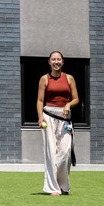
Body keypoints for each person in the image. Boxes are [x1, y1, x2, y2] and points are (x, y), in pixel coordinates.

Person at [37, 51, 80, 195]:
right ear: (49, 62)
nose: (56, 62)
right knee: (50, 152)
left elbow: (76, 99)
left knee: (65, 152)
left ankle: (63, 186)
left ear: (62, 62)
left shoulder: (69, 78)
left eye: (58, 59)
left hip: (65, 117)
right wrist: (40, 117)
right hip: (48, 115)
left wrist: (68, 105)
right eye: (53, 59)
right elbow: (40, 101)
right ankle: (53, 188)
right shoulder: (44, 79)